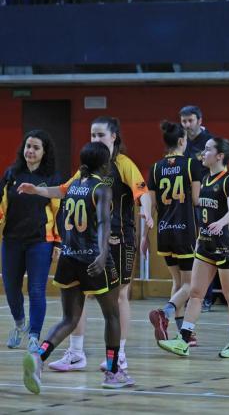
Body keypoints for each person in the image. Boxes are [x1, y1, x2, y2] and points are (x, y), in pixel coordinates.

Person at [40, 117, 153, 373]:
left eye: (100, 135)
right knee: (80, 299)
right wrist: (37, 190)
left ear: (114, 137)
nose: (96, 139)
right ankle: (75, 353)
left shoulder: (123, 164)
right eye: (92, 135)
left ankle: (119, 354)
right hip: (89, 244)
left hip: (119, 241)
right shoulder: (85, 171)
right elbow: (63, 190)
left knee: (120, 296)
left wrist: (147, 213)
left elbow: (142, 192)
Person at [20, 142, 134, 393]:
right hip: (93, 259)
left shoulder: (74, 185)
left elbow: (57, 192)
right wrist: (104, 253)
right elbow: (104, 223)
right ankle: (114, 373)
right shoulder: (102, 188)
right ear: (105, 165)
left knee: (70, 318)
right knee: (112, 316)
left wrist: (35, 191)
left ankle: (39, 356)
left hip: (68, 259)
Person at [158, 137, 229, 358]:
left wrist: (221, 222)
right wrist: (201, 235)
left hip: (226, 245)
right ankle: (183, 340)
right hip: (205, 244)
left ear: (220, 156)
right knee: (196, 293)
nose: (203, 153)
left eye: (207, 150)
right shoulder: (205, 179)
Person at [0, 130, 60, 353]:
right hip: (11, 241)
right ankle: (19, 324)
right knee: (11, 288)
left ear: (44, 152)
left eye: (36, 147)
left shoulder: (52, 177)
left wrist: (58, 243)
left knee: (36, 290)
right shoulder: (11, 173)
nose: (30, 151)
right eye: (28, 146)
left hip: (40, 241)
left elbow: (59, 211)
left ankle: (34, 335)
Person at [144, 121, 201, 345]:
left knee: (178, 282)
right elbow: (196, 200)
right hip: (185, 230)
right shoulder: (190, 164)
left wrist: (144, 236)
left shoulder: (156, 168)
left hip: (164, 230)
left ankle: (183, 335)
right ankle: (164, 313)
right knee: (190, 285)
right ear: (181, 141)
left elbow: (151, 204)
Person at [179, 105, 215, 311]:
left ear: (200, 120)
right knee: (188, 249)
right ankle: (187, 292)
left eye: (190, 120)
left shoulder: (210, 142)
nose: (187, 125)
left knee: (205, 247)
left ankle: (206, 297)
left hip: (204, 201)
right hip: (183, 202)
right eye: (184, 121)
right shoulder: (180, 141)